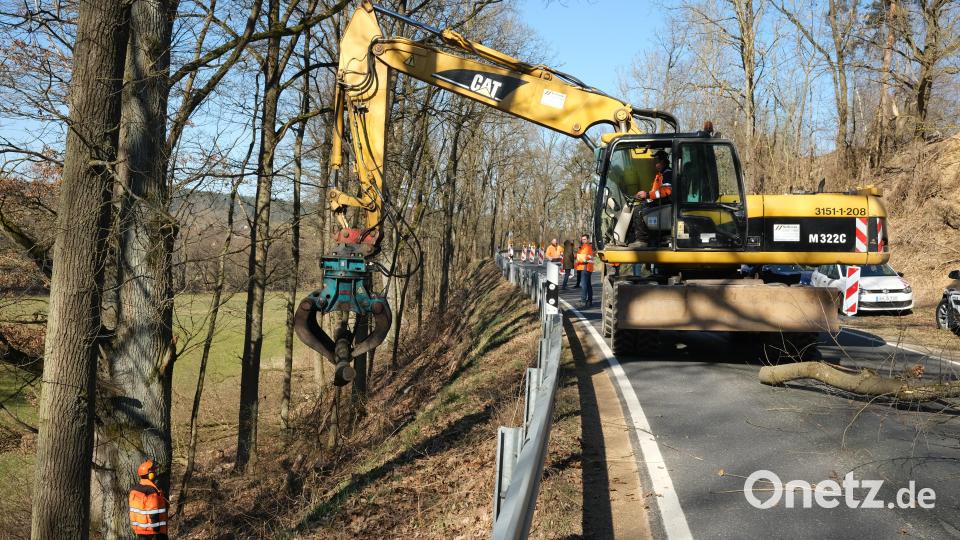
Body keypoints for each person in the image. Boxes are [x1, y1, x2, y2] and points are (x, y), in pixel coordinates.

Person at [630, 149, 673, 248]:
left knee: (638, 210)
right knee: (639, 206)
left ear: (662, 162)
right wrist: (646, 197)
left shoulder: (667, 174)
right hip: (661, 202)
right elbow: (656, 192)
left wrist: (648, 195)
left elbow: (666, 191)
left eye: (656, 161)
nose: (655, 164)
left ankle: (642, 240)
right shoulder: (660, 174)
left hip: (665, 203)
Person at [129, 459, 169, 539]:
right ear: (149, 474)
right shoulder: (151, 491)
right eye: (153, 472)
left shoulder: (134, 489)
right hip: (153, 531)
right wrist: (156, 530)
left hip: (140, 530)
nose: (155, 473)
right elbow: (153, 512)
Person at [575, 234, 595, 308]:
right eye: (582, 239)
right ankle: (589, 300)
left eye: (584, 239)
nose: (583, 240)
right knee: (588, 285)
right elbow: (579, 256)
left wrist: (578, 257)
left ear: (588, 240)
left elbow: (583, 257)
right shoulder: (583, 247)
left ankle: (583, 301)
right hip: (586, 267)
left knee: (583, 285)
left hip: (585, 267)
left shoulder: (587, 247)